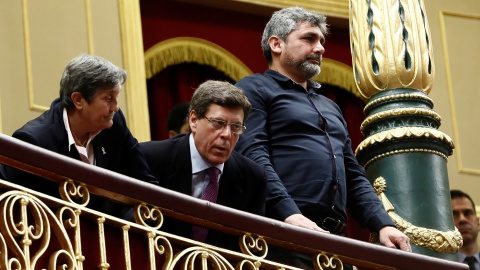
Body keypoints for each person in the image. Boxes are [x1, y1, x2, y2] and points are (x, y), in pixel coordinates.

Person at [234, 6, 411, 267]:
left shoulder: (330, 106)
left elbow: (353, 173)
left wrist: (382, 223)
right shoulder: (254, 88)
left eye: (321, 41)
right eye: (309, 39)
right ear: (276, 44)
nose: (320, 48)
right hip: (278, 232)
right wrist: (288, 214)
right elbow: (253, 156)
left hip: (333, 239)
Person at [1, 53, 157, 216]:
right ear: (78, 100)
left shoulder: (115, 124)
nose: (116, 107)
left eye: (116, 97)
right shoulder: (34, 141)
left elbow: (145, 184)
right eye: (108, 99)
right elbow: (9, 203)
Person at [140, 80, 266, 250]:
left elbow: (250, 248)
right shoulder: (150, 158)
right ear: (193, 120)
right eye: (218, 123)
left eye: (236, 127)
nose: (227, 135)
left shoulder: (252, 178)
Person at [451, 190, 480, 270]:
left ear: (478, 223)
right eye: (454, 215)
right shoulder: (438, 266)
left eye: (467, 213)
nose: (462, 219)